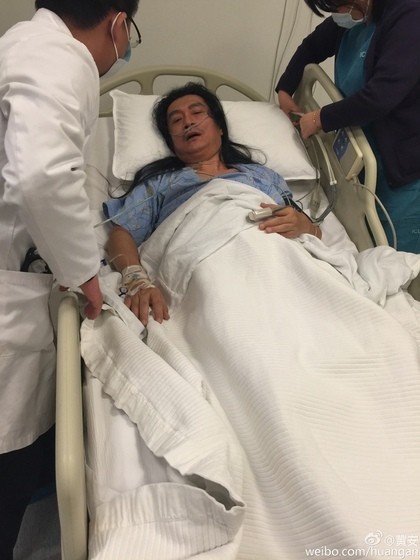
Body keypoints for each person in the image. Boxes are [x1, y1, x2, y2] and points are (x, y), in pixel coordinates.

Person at [0, 0, 140, 556]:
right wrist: (85, 274)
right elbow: (41, 176)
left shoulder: (22, 43)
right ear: (118, 24)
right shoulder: (65, 59)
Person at [104, 82, 322, 326]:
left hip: (270, 258)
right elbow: (121, 234)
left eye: (197, 113)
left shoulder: (263, 176)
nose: (188, 122)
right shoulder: (160, 183)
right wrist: (136, 281)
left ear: (220, 127)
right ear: (172, 141)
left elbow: (311, 230)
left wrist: (304, 225)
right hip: (201, 263)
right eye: (176, 120)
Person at [275, 0, 420, 254]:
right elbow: (311, 47)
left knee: (400, 261)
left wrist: (319, 118)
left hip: (406, 164)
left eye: (336, 6)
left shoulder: (410, 15)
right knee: (370, 248)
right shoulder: (355, 16)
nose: (336, 15)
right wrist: (285, 88)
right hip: (367, 151)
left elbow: (381, 95)